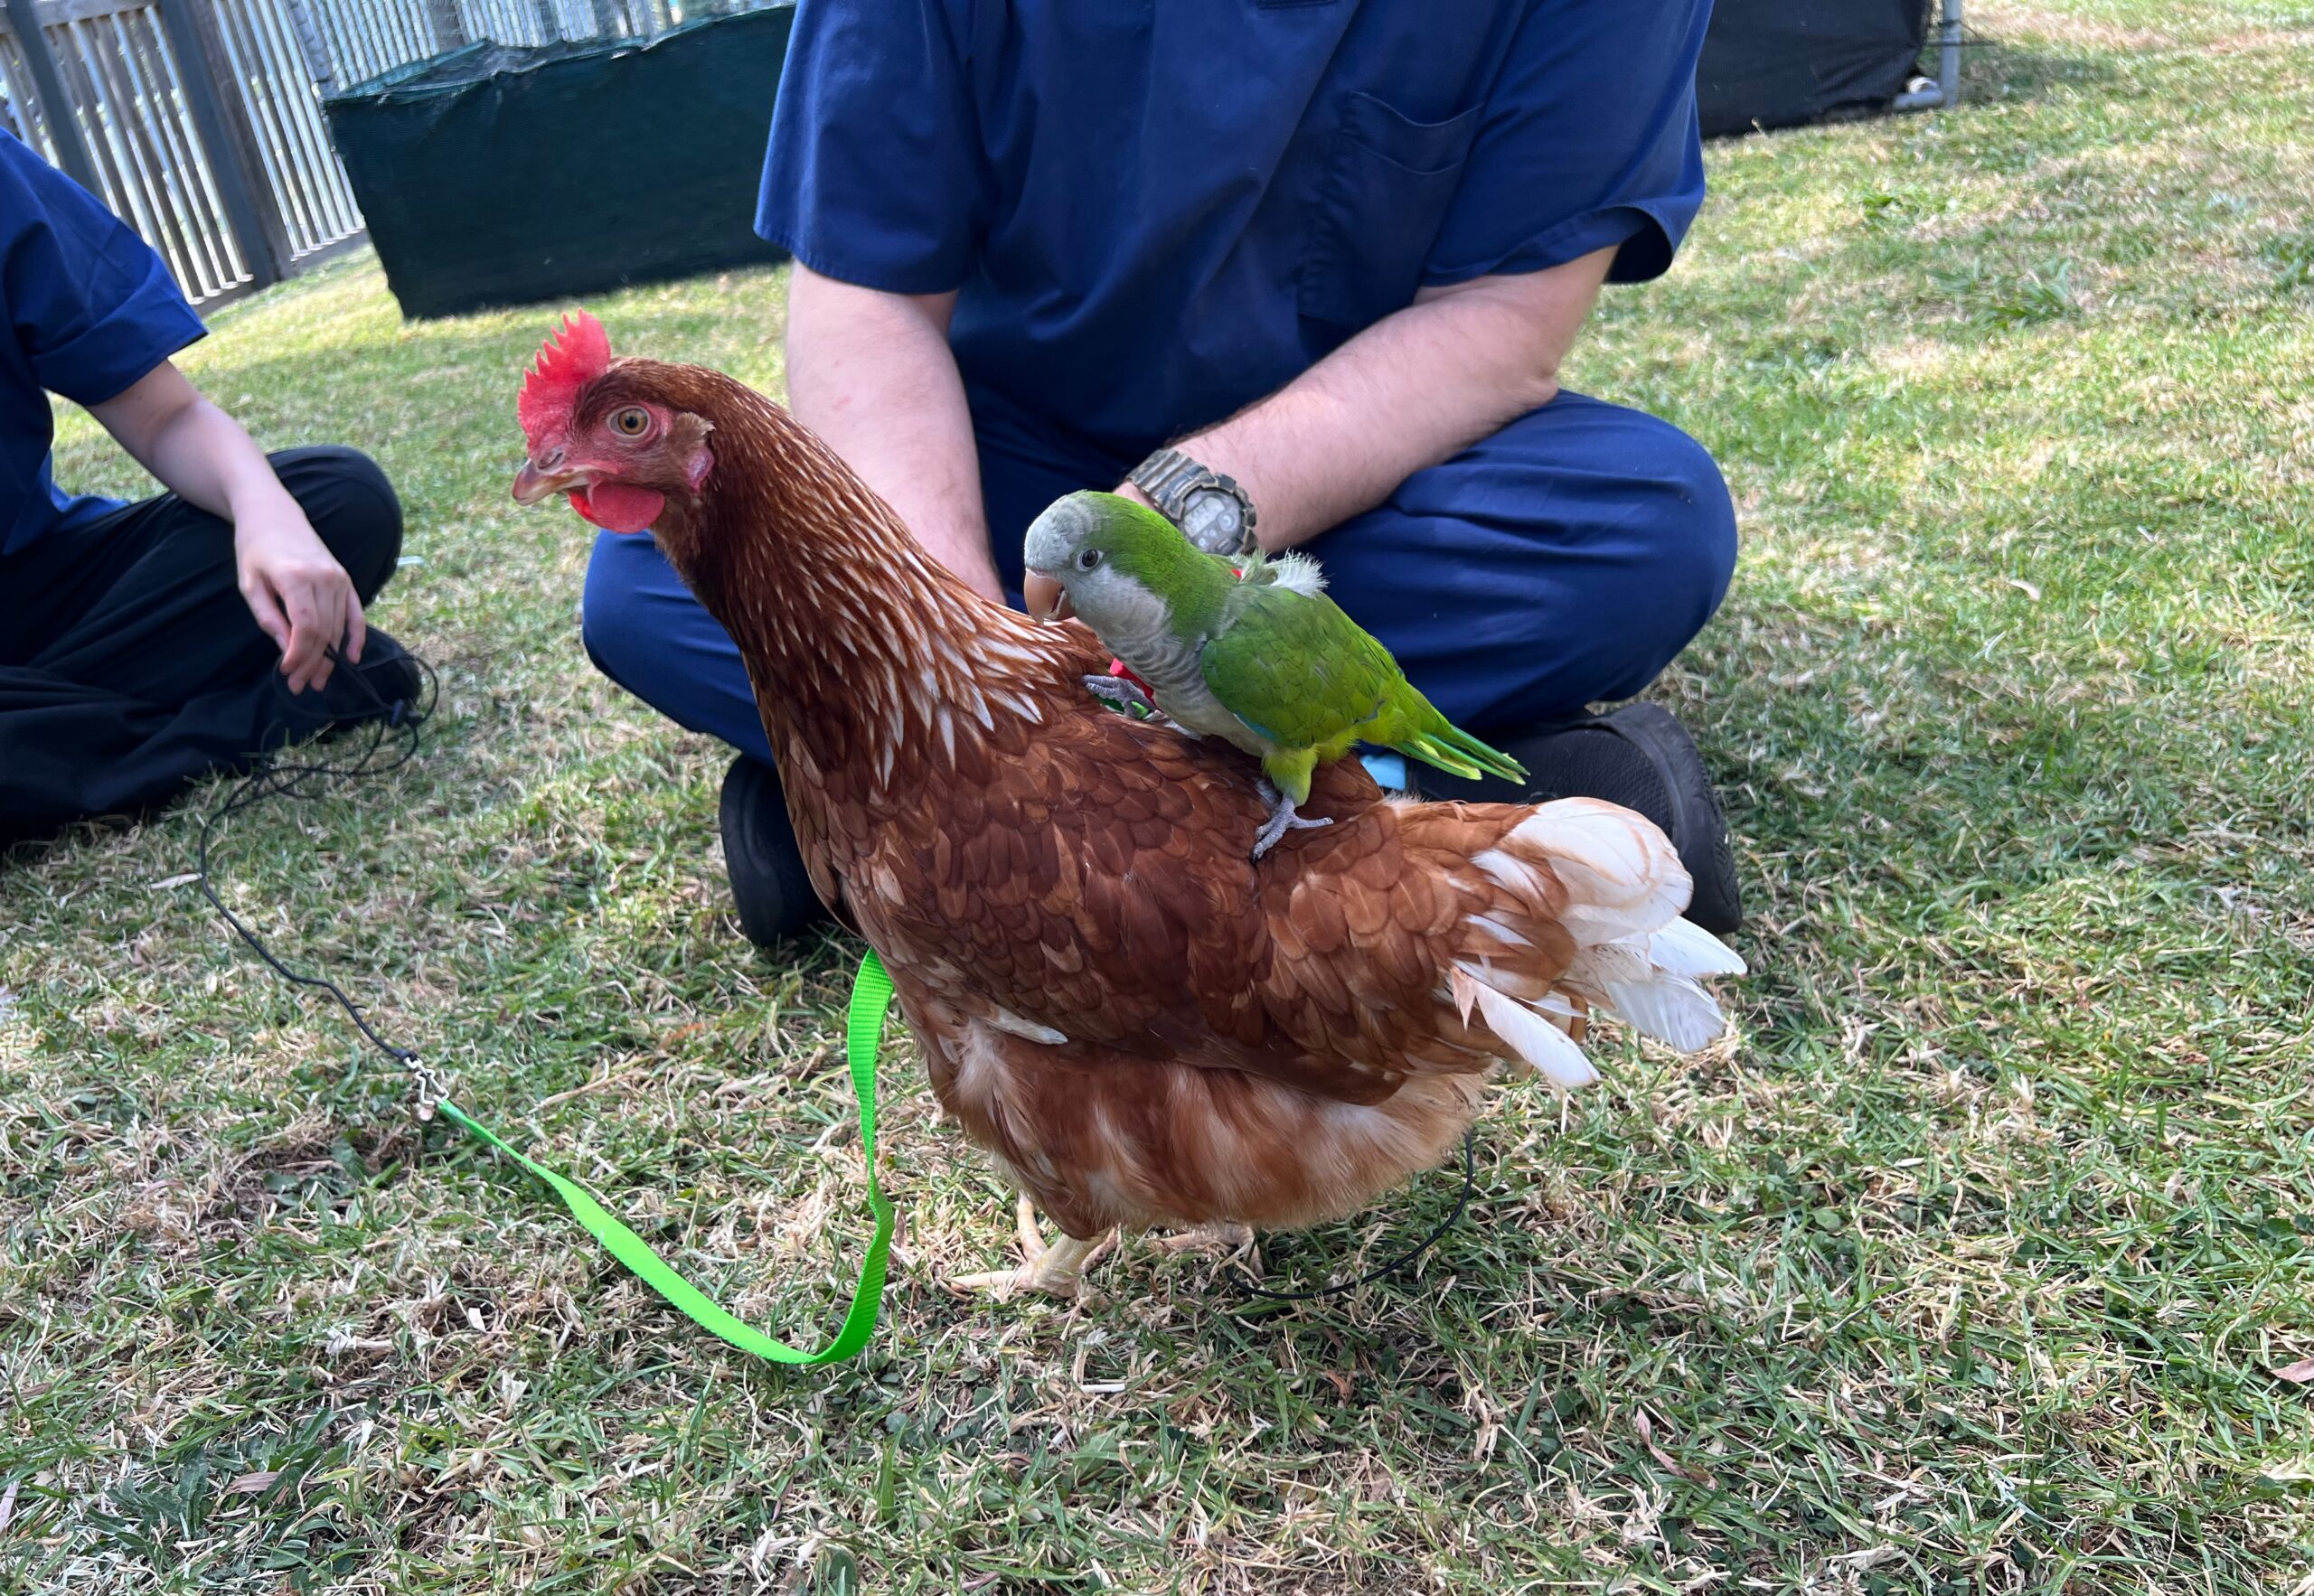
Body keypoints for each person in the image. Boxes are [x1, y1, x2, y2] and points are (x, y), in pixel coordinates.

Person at [582, 1, 1744, 938]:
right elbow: (868, 301)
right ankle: (1422, 802)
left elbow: (1499, 327)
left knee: (1639, 531)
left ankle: (899, 834)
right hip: (999, 478)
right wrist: (956, 662)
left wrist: (1177, 516)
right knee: (653, 591)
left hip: (1344, 495)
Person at [0, 131, 413, 847]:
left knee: (342, 500)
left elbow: (165, 415)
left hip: (38, 586)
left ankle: (47, 731)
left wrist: (264, 514)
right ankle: (252, 712)